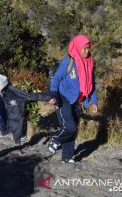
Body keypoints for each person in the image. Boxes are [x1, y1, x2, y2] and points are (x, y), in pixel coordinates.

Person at [48, 34, 98, 164]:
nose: (87, 51)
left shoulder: (89, 62)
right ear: (78, 47)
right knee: (69, 127)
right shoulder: (69, 60)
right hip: (63, 98)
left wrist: (94, 101)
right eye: (85, 48)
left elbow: (91, 83)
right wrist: (54, 95)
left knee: (73, 127)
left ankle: (67, 156)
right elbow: (56, 79)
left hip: (77, 100)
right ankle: (55, 139)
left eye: (89, 48)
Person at [0, 67, 55, 144]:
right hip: (12, 122)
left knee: (17, 117)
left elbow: (28, 96)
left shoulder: (11, 91)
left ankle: (17, 139)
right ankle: (13, 137)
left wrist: (48, 98)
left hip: (17, 125)